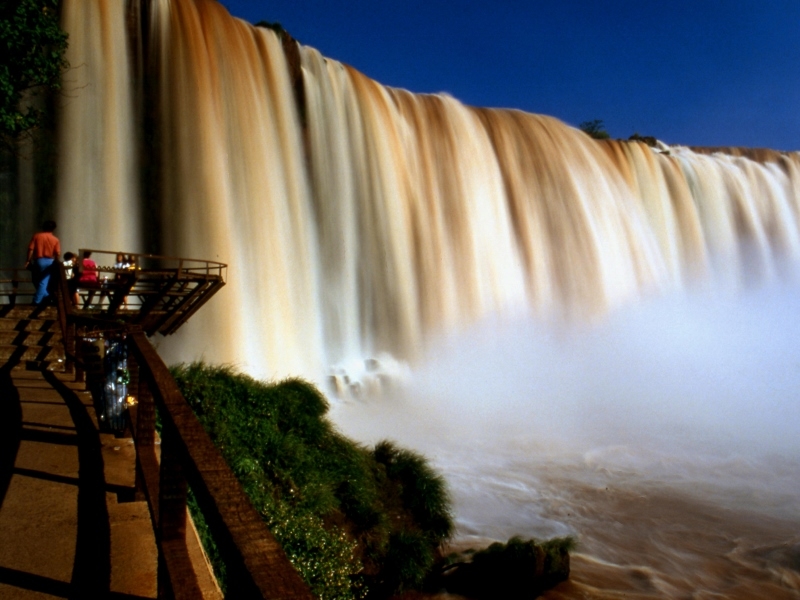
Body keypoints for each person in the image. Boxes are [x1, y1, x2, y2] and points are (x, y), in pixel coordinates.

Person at [25, 220, 61, 305]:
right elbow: (58, 253)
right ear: (53, 229)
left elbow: (31, 249)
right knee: (43, 281)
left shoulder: (37, 236)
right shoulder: (55, 239)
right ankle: (45, 297)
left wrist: (28, 260)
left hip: (38, 260)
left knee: (37, 280)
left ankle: (38, 300)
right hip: (50, 261)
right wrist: (56, 261)